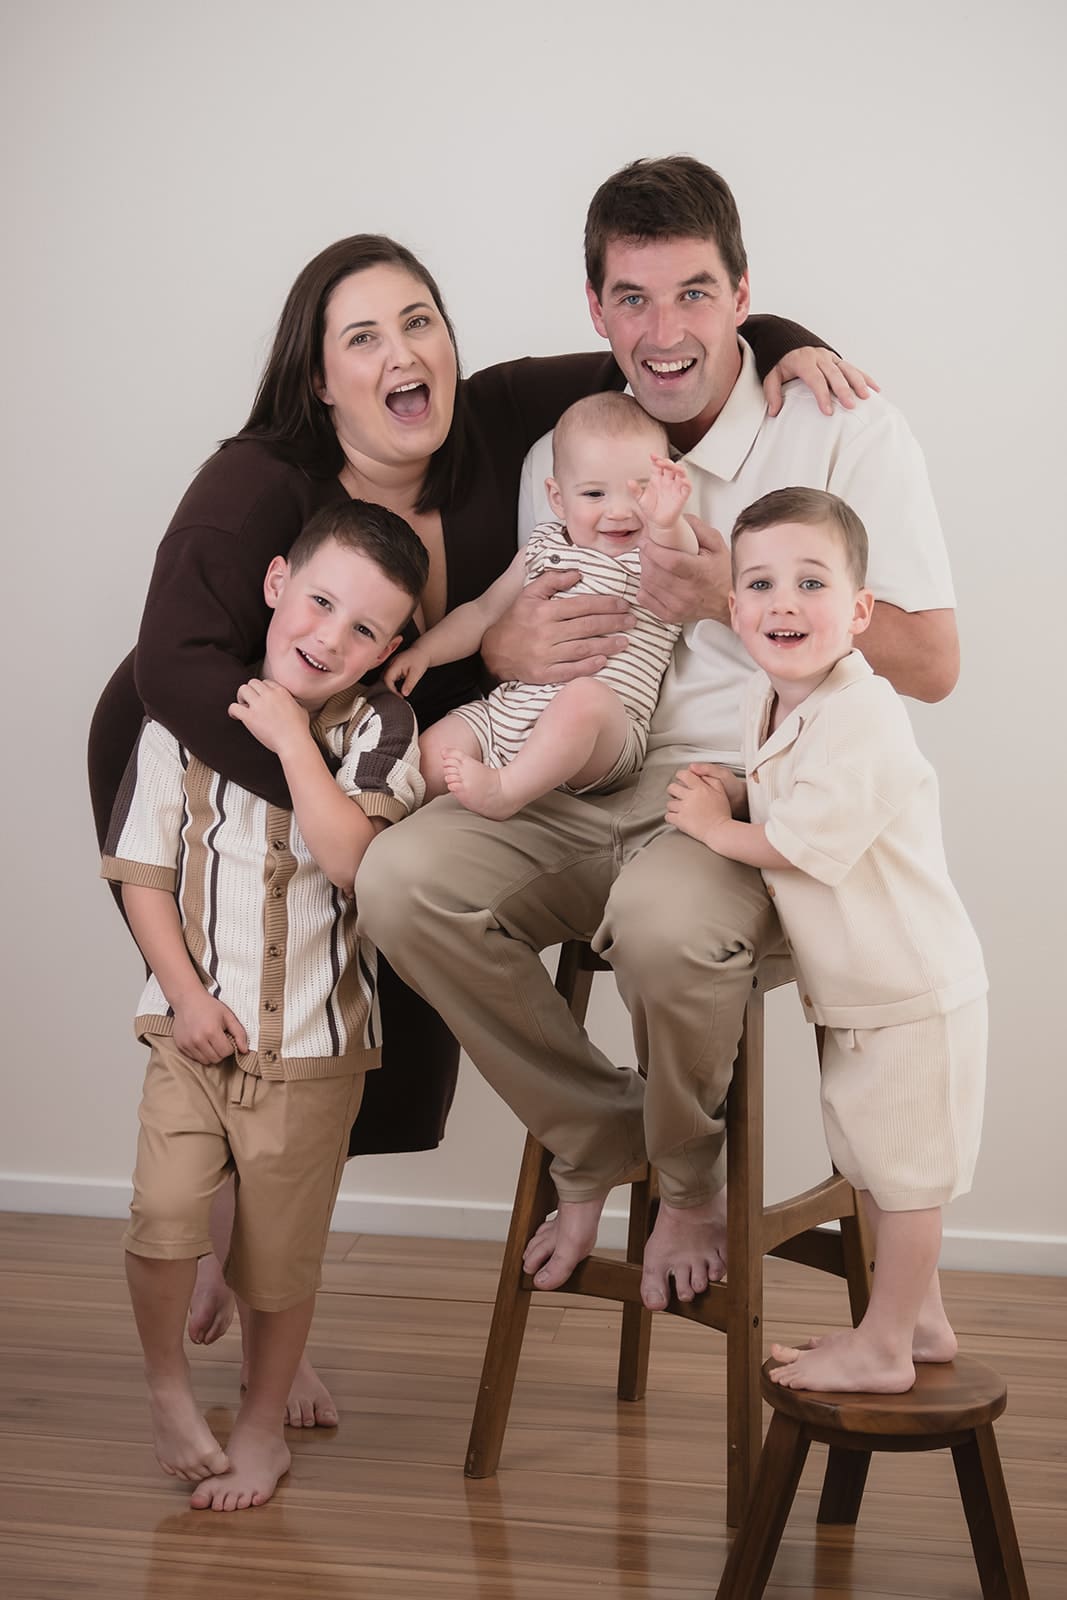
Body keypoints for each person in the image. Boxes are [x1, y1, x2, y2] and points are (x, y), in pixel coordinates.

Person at [88, 225, 863, 1417]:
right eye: (364, 337)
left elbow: (657, 353)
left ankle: (261, 1283)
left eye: (420, 323)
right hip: (220, 759)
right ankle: (252, 1301)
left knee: (341, 1047)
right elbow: (177, 666)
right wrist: (328, 772)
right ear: (317, 377)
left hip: (390, 766)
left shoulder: (498, 419)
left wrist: (778, 340)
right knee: (256, 1036)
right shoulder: (257, 483)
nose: (404, 354)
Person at [357, 156, 961, 1315]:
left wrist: (725, 591)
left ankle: (687, 1177)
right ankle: (601, 1134)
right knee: (397, 879)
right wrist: (497, 653)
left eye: (692, 292)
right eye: (630, 298)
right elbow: (520, 610)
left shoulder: (837, 427)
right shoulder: (563, 451)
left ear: (743, 297)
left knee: (660, 921)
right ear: (595, 310)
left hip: (744, 802)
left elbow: (931, 663)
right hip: (579, 776)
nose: (663, 328)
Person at [103, 501, 427, 1509]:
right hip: (192, 1028)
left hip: (316, 1045)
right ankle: (167, 1391)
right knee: (162, 1214)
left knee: (280, 1258)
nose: (329, 636)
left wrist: (294, 739)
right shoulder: (186, 713)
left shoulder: (383, 727)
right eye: (320, 601)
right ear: (277, 580)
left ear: (390, 647)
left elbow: (352, 859)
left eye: (364, 628)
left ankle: (259, 1423)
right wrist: (187, 998)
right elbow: (143, 873)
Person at [665, 487, 986, 1392]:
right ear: (732, 610)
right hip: (859, 992)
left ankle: (882, 1344)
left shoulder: (864, 712)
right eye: (760, 583)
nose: (783, 603)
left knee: (906, 1178)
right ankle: (914, 1321)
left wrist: (711, 827)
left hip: (911, 991)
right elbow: (782, 791)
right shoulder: (770, 705)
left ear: (858, 610)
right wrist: (734, 790)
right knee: (875, 1167)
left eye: (812, 583)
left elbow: (806, 845)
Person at [385, 394, 696, 818]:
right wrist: (425, 652)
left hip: (605, 733)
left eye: (641, 491)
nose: (620, 512)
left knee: (583, 699)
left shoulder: (658, 548)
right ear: (557, 498)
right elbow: (483, 612)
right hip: (511, 714)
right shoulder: (542, 545)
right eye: (593, 493)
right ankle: (375, 832)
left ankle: (507, 791)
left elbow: (686, 560)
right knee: (428, 753)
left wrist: (669, 519)